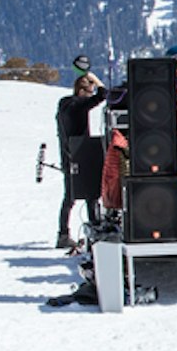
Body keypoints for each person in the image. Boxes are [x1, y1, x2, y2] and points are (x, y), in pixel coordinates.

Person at [55, 69, 107, 247]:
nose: (91, 95)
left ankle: (63, 234)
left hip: (67, 155)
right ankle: (95, 229)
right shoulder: (80, 104)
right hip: (82, 154)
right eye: (89, 92)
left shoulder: (64, 103)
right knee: (91, 195)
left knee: (69, 198)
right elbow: (103, 95)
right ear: (82, 91)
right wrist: (95, 78)